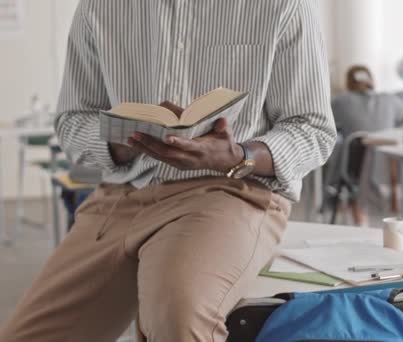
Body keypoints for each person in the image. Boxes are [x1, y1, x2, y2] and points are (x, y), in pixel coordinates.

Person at [0, 1, 336, 341]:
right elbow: (73, 121)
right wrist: (129, 137)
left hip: (229, 193)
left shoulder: (282, 6)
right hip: (120, 197)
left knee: (178, 321)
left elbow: (312, 129)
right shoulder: (99, 8)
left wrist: (238, 155)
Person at [329, 65, 403, 224]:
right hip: (391, 173)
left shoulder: (340, 101)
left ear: (348, 82)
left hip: (356, 173)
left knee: (352, 170)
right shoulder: (391, 99)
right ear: (371, 80)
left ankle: (360, 223)